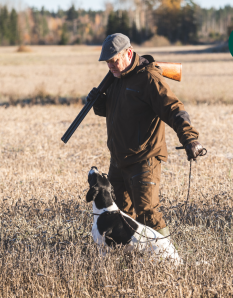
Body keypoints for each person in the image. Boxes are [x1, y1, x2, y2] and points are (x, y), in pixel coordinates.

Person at [87, 33, 205, 237]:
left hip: (144, 160)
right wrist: (100, 104)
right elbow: (121, 112)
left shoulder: (149, 78)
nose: (110, 66)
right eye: (107, 63)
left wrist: (190, 139)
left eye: (114, 61)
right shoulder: (115, 79)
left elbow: (174, 109)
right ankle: (133, 261)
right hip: (119, 161)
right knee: (122, 216)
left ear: (129, 53)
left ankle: (167, 257)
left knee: (148, 214)